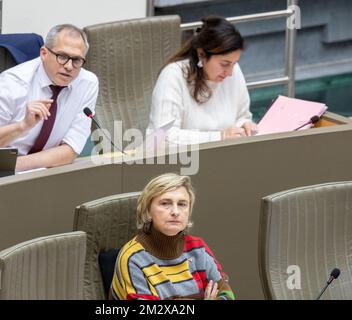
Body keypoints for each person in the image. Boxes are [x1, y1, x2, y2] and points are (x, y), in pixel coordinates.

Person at [0, 24, 98, 172]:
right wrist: (22, 126)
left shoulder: (87, 83)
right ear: (44, 53)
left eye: (77, 60)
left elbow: (70, 150)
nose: (69, 66)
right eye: (62, 57)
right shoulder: (12, 82)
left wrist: (15, 167)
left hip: (43, 171)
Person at [110, 173, 235, 300]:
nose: (175, 212)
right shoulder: (133, 258)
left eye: (182, 204)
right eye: (165, 203)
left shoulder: (198, 249)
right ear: (147, 211)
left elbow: (228, 295)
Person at [147, 16, 257, 145]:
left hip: (224, 156)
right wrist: (220, 137)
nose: (230, 73)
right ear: (202, 54)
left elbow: (242, 115)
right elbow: (163, 137)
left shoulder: (234, 70)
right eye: (224, 64)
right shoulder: (173, 75)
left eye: (234, 63)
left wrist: (244, 125)